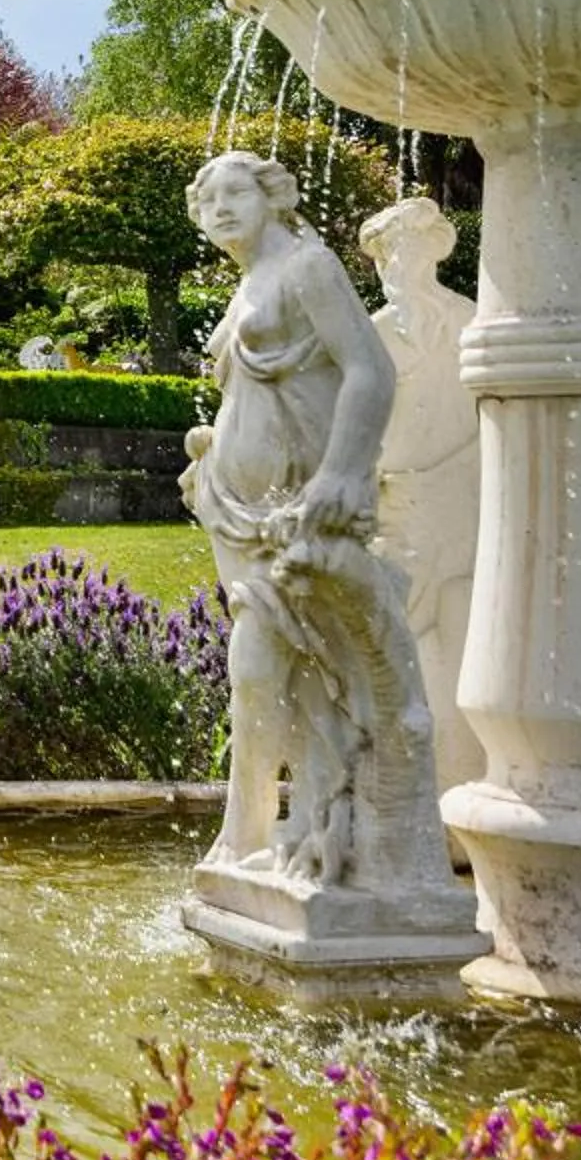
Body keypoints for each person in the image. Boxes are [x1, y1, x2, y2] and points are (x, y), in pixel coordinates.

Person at [183, 153, 438, 889]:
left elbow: (370, 370)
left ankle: (271, 832)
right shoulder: (250, 283)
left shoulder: (308, 267)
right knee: (279, 674)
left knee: (275, 668)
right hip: (241, 513)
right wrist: (214, 455)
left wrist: (343, 472)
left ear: (272, 197)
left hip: (301, 508)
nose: (222, 208)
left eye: (237, 191)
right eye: (209, 199)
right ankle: (283, 831)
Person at [361, 198, 483, 809]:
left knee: (466, 628)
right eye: (383, 254)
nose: (390, 264)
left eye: (400, 248)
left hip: (464, 495)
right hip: (397, 503)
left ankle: (469, 782)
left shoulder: (472, 321)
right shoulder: (374, 332)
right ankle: (404, 793)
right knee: (401, 633)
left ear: (435, 249)